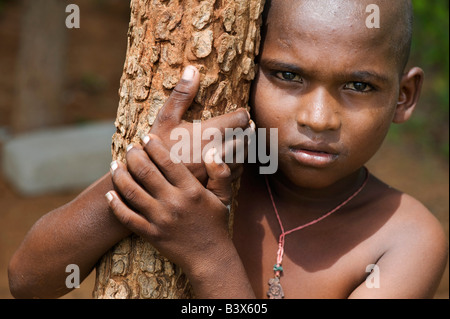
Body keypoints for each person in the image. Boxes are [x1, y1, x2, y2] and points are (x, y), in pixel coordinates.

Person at [8, 0, 448, 299]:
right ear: (248, 68)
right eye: (288, 76)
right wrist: (150, 170)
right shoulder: (208, 165)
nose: (319, 118)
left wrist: (208, 255)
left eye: (358, 85)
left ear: (404, 96)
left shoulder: (406, 238)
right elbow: (29, 280)